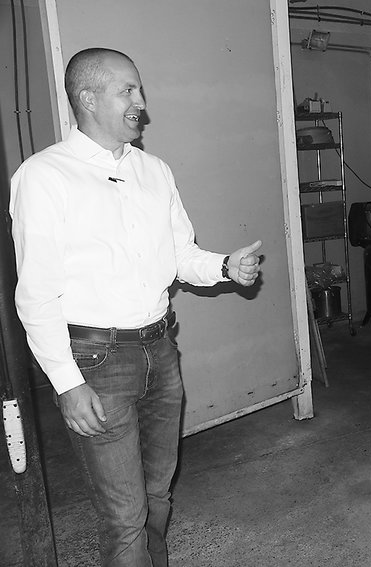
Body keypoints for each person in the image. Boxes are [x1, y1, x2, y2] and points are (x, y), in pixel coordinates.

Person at [9, 47, 262, 566]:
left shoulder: (153, 170)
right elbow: (34, 295)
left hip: (160, 350)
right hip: (96, 363)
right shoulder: (44, 177)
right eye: (128, 90)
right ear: (87, 97)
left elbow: (180, 256)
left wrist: (223, 268)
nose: (141, 104)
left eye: (139, 89)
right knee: (124, 516)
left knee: (157, 495)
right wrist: (66, 382)